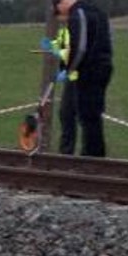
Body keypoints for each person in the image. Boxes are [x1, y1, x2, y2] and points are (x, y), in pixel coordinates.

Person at [50, 0, 114, 157]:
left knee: (87, 115)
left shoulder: (78, 14)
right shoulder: (98, 11)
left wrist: (68, 69)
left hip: (89, 70)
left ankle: (91, 157)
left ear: (60, 5)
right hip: (103, 66)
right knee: (92, 115)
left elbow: (80, 47)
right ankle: (95, 155)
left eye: (59, 13)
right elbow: (109, 39)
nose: (63, 17)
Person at [41, 11, 77, 154]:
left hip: (76, 76)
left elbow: (71, 52)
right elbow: (62, 46)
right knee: (66, 114)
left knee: (69, 113)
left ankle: (68, 152)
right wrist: (51, 45)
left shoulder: (76, 30)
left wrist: (54, 49)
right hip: (70, 75)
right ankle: (66, 152)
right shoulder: (65, 30)